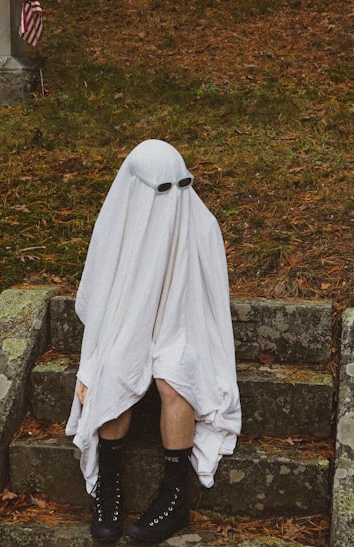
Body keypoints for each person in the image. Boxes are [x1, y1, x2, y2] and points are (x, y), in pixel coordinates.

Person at [65, 139, 242, 543]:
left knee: (177, 377)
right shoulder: (122, 220)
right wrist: (91, 362)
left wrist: (190, 344)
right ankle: (107, 488)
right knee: (113, 370)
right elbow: (103, 292)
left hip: (183, 325)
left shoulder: (200, 223)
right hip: (129, 323)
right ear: (135, 185)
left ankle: (175, 496)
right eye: (160, 189)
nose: (171, 198)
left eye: (179, 186)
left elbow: (208, 298)